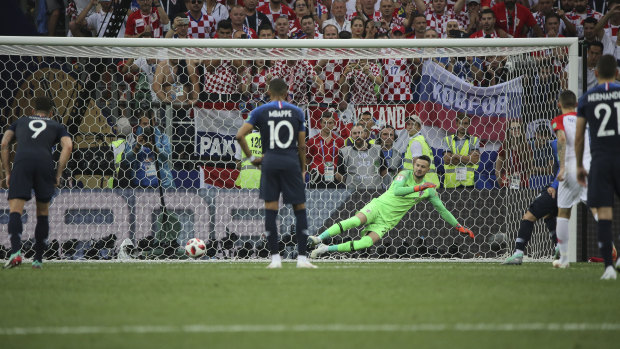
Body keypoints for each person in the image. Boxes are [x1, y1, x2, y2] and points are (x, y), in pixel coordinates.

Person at [308, 155, 474, 258]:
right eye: (417, 165)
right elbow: (396, 191)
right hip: (378, 206)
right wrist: (419, 187)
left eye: (423, 167)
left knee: (366, 243)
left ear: (427, 169)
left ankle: (325, 249)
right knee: (354, 221)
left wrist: (459, 226)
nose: (419, 168)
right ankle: (318, 238)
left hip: (388, 221)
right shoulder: (404, 174)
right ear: (414, 164)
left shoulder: (429, 190)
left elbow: (442, 210)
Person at [235, 78, 317, 269]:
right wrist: (303, 169)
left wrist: (251, 158)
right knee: (299, 208)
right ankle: (302, 259)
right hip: (290, 162)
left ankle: (275, 259)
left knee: (271, 209)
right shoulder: (297, 112)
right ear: (287, 92)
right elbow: (302, 145)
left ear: (268, 92)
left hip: (270, 162)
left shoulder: (259, 111)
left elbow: (240, 135)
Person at [1, 96, 73, 269]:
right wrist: (58, 173)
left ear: (32, 111)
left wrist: (8, 172)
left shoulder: (20, 121)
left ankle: (16, 253)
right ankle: (38, 260)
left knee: (15, 210)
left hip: (23, 163)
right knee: (42, 212)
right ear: (52, 113)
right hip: (44, 164)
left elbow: (4, 143)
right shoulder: (56, 126)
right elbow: (68, 146)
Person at [575, 54, 620, 280]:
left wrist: (580, 165)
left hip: (600, 160)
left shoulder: (587, 98)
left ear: (595, 73)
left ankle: (609, 268)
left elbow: (580, 136)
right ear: (617, 73)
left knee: (603, 212)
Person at [549, 90, 599, 269]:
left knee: (563, 212)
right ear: (576, 105)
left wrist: (562, 167)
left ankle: (563, 259)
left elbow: (561, 138)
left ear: (559, 104)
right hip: (589, 167)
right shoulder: (585, 120)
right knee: (597, 210)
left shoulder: (558, 120)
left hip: (570, 169)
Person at [502, 136, 560, 265]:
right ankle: (558, 247)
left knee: (528, 217)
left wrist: (554, 185)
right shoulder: (582, 142)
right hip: (576, 186)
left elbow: (563, 167)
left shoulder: (559, 143)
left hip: (559, 187)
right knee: (549, 214)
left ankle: (518, 254)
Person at [124, 109, 175, 189]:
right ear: (139, 124)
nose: (148, 126)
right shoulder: (133, 138)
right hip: (138, 187)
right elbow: (125, 161)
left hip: (162, 185)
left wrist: (153, 147)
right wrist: (137, 147)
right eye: (144, 124)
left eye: (150, 123)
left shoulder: (162, 137)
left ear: (154, 123)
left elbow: (167, 157)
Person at [306, 112, 345, 188]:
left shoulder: (339, 141)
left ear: (334, 124)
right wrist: (309, 173)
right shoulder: (312, 141)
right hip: (316, 178)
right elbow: (307, 159)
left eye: (330, 123)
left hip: (334, 178)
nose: (327, 126)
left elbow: (343, 160)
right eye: (325, 123)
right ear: (320, 123)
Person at [442, 113, 480, 189]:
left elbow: (474, 160)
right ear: (456, 124)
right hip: (451, 182)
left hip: (468, 182)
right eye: (460, 123)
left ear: (469, 124)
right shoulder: (447, 139)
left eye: (465, 123)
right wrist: (467, 158)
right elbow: (446, 160)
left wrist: (456, 156)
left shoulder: (474, 140)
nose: (462, 126)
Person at [403, 114, 440, 186]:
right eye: (408, 124)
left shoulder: (416, 142)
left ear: (419, 127)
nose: (410, 127)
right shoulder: (421, 140)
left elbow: (417, 164)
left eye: (413, 124)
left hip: (421, 184)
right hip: (430, 182)